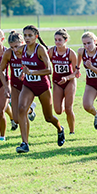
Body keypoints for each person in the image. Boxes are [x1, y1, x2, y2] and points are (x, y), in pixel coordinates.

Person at [14, 25, 65, 153]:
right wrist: (23, 72)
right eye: (25, 35)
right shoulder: (21, 49)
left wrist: (31, 72)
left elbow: (49, 70)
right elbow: (23, 62)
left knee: (48, 117)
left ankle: (60, 129)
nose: (27, 38)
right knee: (21, 109)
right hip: (28, 86)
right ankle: (24, 143)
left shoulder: (40, 49)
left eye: (30, 35)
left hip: (42, 87)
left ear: (36, 36)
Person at [0, 31, 37, 142]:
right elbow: (1, 70)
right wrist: (6, 87)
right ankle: (31, 110)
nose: (15, 50)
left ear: (22, 43)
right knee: (16, 118)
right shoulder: (8, 53)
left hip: (28, 86)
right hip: (15, 86)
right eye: (12, 47)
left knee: (22, 112)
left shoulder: (29, 51)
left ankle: (25, 140)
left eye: (17, 46)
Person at [48, 29, 77, 135]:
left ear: (66, 40)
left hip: (69, 82)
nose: (57, 42)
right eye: (55, 40)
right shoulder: (51, 51)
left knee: (69, 109)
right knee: (58, 111)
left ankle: (72, 131)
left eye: (60, 40)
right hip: (57, 82)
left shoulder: (71, 53)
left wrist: (67, 78)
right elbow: (45, 64)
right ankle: (64, 101)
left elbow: (76, 73)